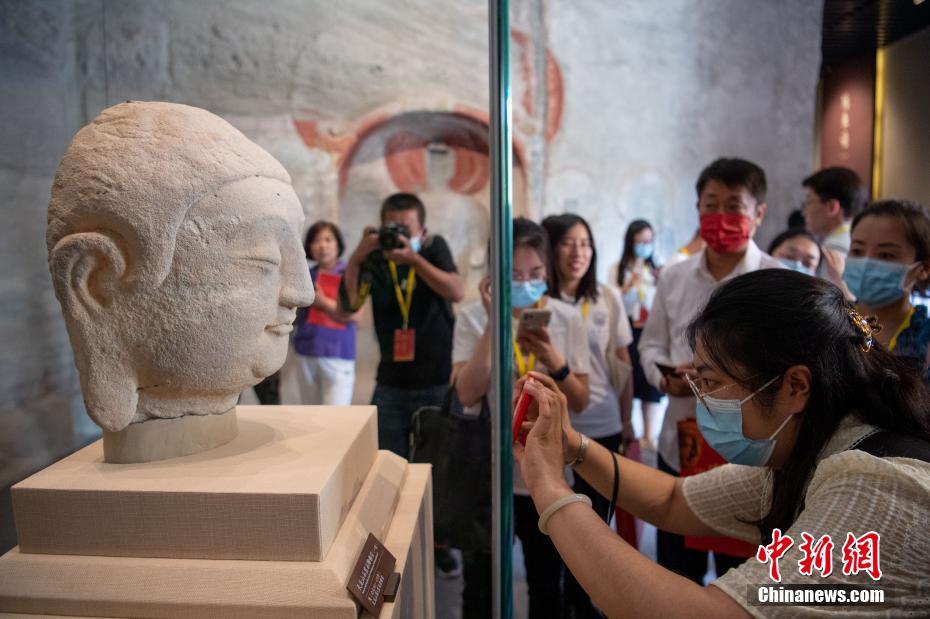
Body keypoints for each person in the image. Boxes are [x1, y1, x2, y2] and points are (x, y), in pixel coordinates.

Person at [515, 269, 930, 618]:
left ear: (795, 385)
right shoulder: (811, 450)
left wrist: (550, 488)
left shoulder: (875, 485)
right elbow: (672, 500)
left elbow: (710, 613)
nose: (702, 400)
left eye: (711, 383)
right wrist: (571, 446)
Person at [638, 157, 783, 584]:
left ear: (758, 213)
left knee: (740, 580)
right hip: (679, 442)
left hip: (751, 454)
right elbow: (650, 343)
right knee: (675, 574)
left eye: (734, 206)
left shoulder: (778, 281)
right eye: (710, 204)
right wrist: (661, 377)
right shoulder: (674, 276)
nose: (720, 217)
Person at [454, 217, 590, 618]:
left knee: (547, 583)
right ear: (493, 274)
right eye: (514, 274)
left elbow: (581, 401)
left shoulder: (566, 318)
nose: (525, 282)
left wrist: (553, 360)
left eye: (534, 273)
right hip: (488, 475)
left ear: (547, 271)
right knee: (480, 584)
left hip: (546, 476)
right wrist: (494, 323)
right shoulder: (471, 318)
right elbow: (466, 393)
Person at [542, 213, 634, 617]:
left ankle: (584, 604)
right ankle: (557, 602)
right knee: (556, 526)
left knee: (596, 528)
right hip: (552, 427)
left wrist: (628, 420)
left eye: (585, 243)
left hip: (602, 425)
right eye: (567, 243)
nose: (578, 252)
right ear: (549, 249)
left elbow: (622, 363)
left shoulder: (606, 297)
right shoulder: (538, 302)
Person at [338, 193, 464, 458]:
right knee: (386, 465)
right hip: (390, 383)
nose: (399, 236)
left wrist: (415, 261)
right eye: (392, 228)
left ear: (423, 231)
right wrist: (358, 257)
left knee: (436, 468)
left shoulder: (433, 248)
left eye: (406, 229)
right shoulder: (376, 259)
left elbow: (456, 291)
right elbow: (347, 308)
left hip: (436, 381)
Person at [844, 199, 930, 382]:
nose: (866, 264)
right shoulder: (828, 322)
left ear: (923, 269)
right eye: (857, 251)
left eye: (886, 255)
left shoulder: (924, 339)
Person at [281, 221, 358, 406]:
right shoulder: (305, 275)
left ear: (338, 244)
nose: (322, 245)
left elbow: (355, 315)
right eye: (316, 240)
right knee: (310, 414)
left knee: (336, 417)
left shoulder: (350, 273)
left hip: (338, 353)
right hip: (306, 351)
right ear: (309, 246)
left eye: (328, 240)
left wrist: (322, 302)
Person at [617, 219, 663, 449]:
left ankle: (649, 437)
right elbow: (617, 303)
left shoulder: (657, 269)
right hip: (628, 332)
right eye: (640, 241)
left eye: (649, 241)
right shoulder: (618, 268)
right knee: (629, 381)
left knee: (650, 386)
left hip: (650, 332)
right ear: (630, 242)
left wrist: (660, 280)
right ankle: (629, 430)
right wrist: (627, 285)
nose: (646, 245)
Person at [801, 167, 866, 284]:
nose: (804, 211)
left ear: (832, 207)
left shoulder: (834, 248)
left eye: (808, 203)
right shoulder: (857, 238)